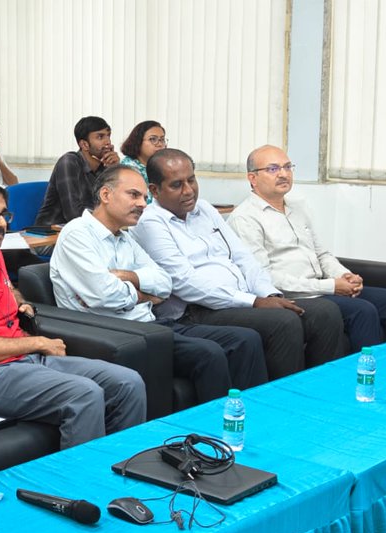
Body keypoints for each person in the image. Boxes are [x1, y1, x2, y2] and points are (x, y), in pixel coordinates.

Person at [0, 177, 145, 448]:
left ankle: (120, 469)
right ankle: (82, 487)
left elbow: (7, 296)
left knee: (128, 383)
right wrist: (37, 342)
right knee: (84, 395)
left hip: (25, 361)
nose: (1, 223)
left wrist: (19, 304)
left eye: (4, 214)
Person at [51, 166, 268, 402]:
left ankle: (251, 421)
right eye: (134, 195)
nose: (143, 204)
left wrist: (132, 278)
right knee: (209, 354)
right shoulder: (77, 234)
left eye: (145, 197)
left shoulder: (124, 237)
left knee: (246, 340)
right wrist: (146, 295)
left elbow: (165, 284)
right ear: (105, 195)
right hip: (119, 333)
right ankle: (212, 433)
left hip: (151, 324)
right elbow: (105, 295)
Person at [133, 148, 344, 379]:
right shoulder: (150, 222)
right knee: (283, 322)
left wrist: (270, 294)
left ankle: (320, 393)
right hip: (198, 309)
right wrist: (253, 302)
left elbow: (243, 257)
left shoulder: (203, 209)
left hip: (240, 298)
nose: (188, 191)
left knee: (325, 312)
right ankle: (280, 404)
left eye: (191, 180)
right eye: (177, 185)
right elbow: (184, 282)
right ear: (154, 190)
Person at [228, 145, 386, 352]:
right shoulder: (245, 219)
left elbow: (321, 253)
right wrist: (331, 286)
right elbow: (265, 279)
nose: (283, 174)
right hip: (296, 297)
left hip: (322, 287)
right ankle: (367, 379)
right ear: (252, 178)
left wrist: (345, 276)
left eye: (287, 167)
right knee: (363, 311)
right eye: (273, 169)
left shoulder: (298, 207)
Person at [35, 116, 120, 226]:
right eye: (100, 137)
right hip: (52, 234)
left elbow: (117, 205)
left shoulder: (104, 168)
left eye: (108, 136)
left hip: (90, 229)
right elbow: (73, 214)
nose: (108, 142)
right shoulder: (69, 162)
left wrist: (115, 170)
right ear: (84, 144)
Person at [119, 120, 167, 203]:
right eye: (153, 139)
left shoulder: (157, 165)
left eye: (162, 139)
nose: (159, 144)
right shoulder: (129, 169)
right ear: (138, 142)